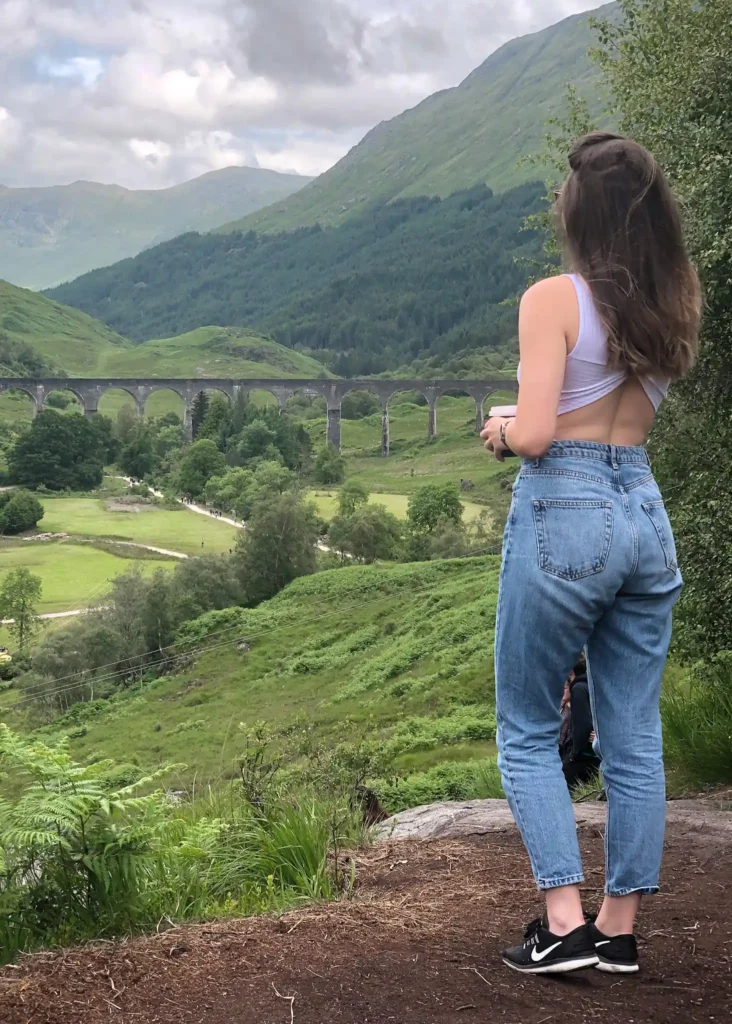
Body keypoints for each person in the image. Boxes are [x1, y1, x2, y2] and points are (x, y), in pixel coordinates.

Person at [481, 132, 701, 976]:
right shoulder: (674, 302)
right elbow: (619, 418)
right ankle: (617, 931)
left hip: (567, 507)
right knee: (634, 736)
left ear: (578, 216)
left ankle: (561, 921)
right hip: (643, 508)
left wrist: (500, 431)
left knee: (528, 726)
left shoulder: (553, 299)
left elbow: (536, 433)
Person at [559, 655, 601, 792]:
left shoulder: (578, 689)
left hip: (584, 756)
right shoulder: (592, 685)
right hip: (598, 754)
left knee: (559, 786)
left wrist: (574, 754)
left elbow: (582, 725)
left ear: (570, 671)